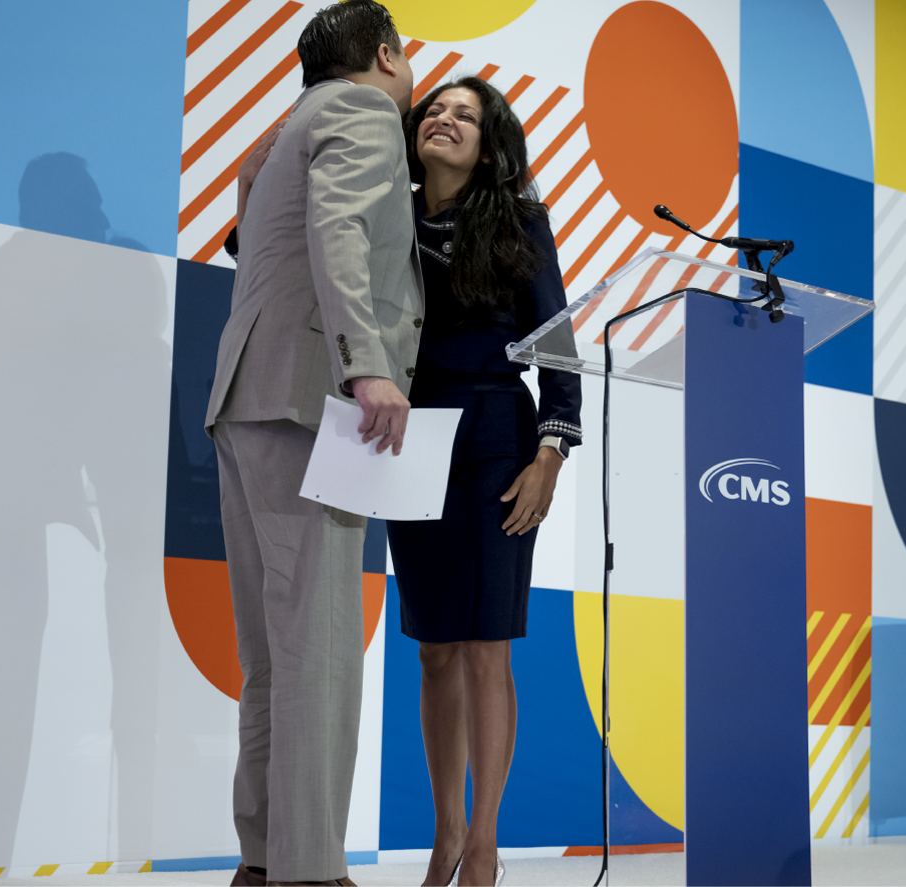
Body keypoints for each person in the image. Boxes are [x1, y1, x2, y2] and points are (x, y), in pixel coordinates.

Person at [204, 3, 423, 887]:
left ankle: (263, 863)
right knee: (319, 651)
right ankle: (308, 873)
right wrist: (367, 364)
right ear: (384, 54)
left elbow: (274, 244)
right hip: (307, 404)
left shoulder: (291, 126)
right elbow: (337, 232)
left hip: (247, 400)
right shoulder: (363, 112)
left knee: (275, 655)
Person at [387, 77, 582, 887]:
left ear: (489, 141)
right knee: (433, 648)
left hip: (496, 441)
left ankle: (486, 845)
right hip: (401, 435)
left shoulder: (519, 222)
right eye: (434, 108)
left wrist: (550, 450)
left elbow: (558, 343)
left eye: (463, 114)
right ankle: (445, 832)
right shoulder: (385, 215)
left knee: (483, 648)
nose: (443, 118)